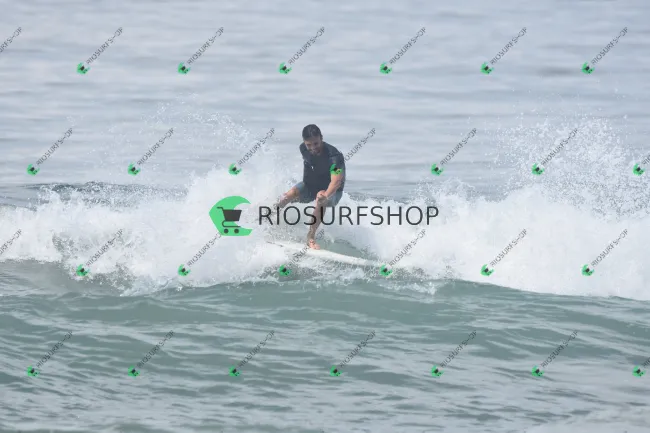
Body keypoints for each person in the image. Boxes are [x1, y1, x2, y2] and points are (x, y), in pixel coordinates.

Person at [275, 124, 345, 249]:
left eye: (316, 144)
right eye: (309, 145)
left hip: (332, 192)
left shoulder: (333, 156)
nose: (312, 148)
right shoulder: (303, 148)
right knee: (286, 196)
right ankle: (264, 218)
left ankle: (310, 237)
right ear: (304, 142)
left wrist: (325, 196)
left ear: (321, 138)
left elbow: (336, 182)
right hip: (310, 187)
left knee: (321, 196)